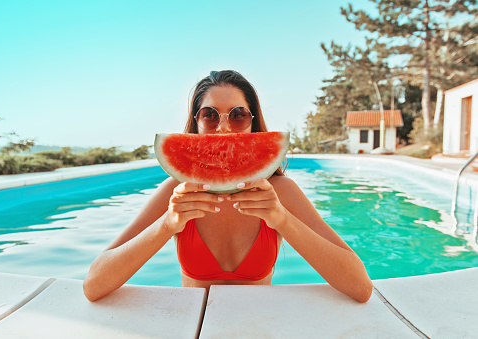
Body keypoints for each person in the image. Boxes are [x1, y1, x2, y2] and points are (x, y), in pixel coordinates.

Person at [83, 70, 373, 303]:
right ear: (195, 123)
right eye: (209, 115)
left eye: (237, 115)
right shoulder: (176, 190)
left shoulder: (280, 192)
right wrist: (167, 225)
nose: (223, 128)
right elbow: (94, 285)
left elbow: (360, 287)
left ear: (253, 123)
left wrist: (282, 220)